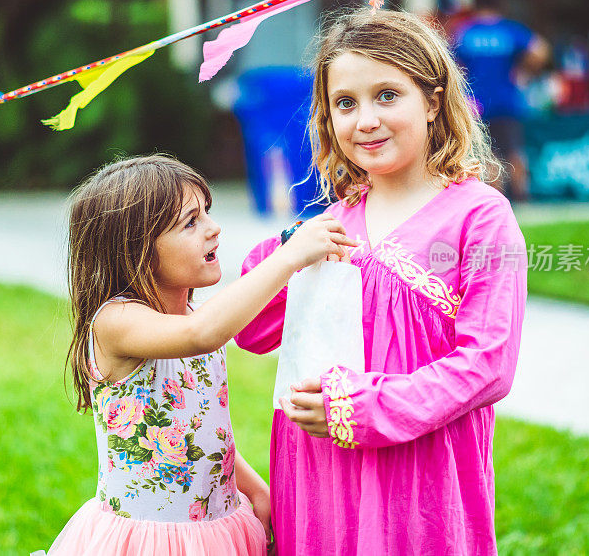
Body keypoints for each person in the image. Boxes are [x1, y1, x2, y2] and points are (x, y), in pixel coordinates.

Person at [235, 9, 528, 555]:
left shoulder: (480, 218)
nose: (365, 119)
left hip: (417, 485)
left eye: (387, 95)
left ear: (434, 101)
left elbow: (489, 364)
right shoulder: (325, 227)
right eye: (345, 102)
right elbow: (252, 332)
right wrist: (284, 252)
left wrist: (364, 408)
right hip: (319, 481)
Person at [38, 154, 358, 556]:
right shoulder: (116, 322)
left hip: (216, 531)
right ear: (136, 248)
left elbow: (203, 436)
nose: (213, 228)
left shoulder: (191, 316)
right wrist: (289, 256)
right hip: (148, 542)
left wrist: (255, 489)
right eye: (191, 222)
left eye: (207, 212)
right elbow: (202, 333)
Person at [453, 0, 550, 201]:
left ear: (477, 7)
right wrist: (524, 70)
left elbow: (452, 64)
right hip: (508, 100)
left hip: (477, 103)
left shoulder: (466, 32)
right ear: (499, 6)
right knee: (514, 150)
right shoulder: (509, 30)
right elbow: (541, 49)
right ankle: (522, 198)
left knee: (489, 153)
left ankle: (497, 200)